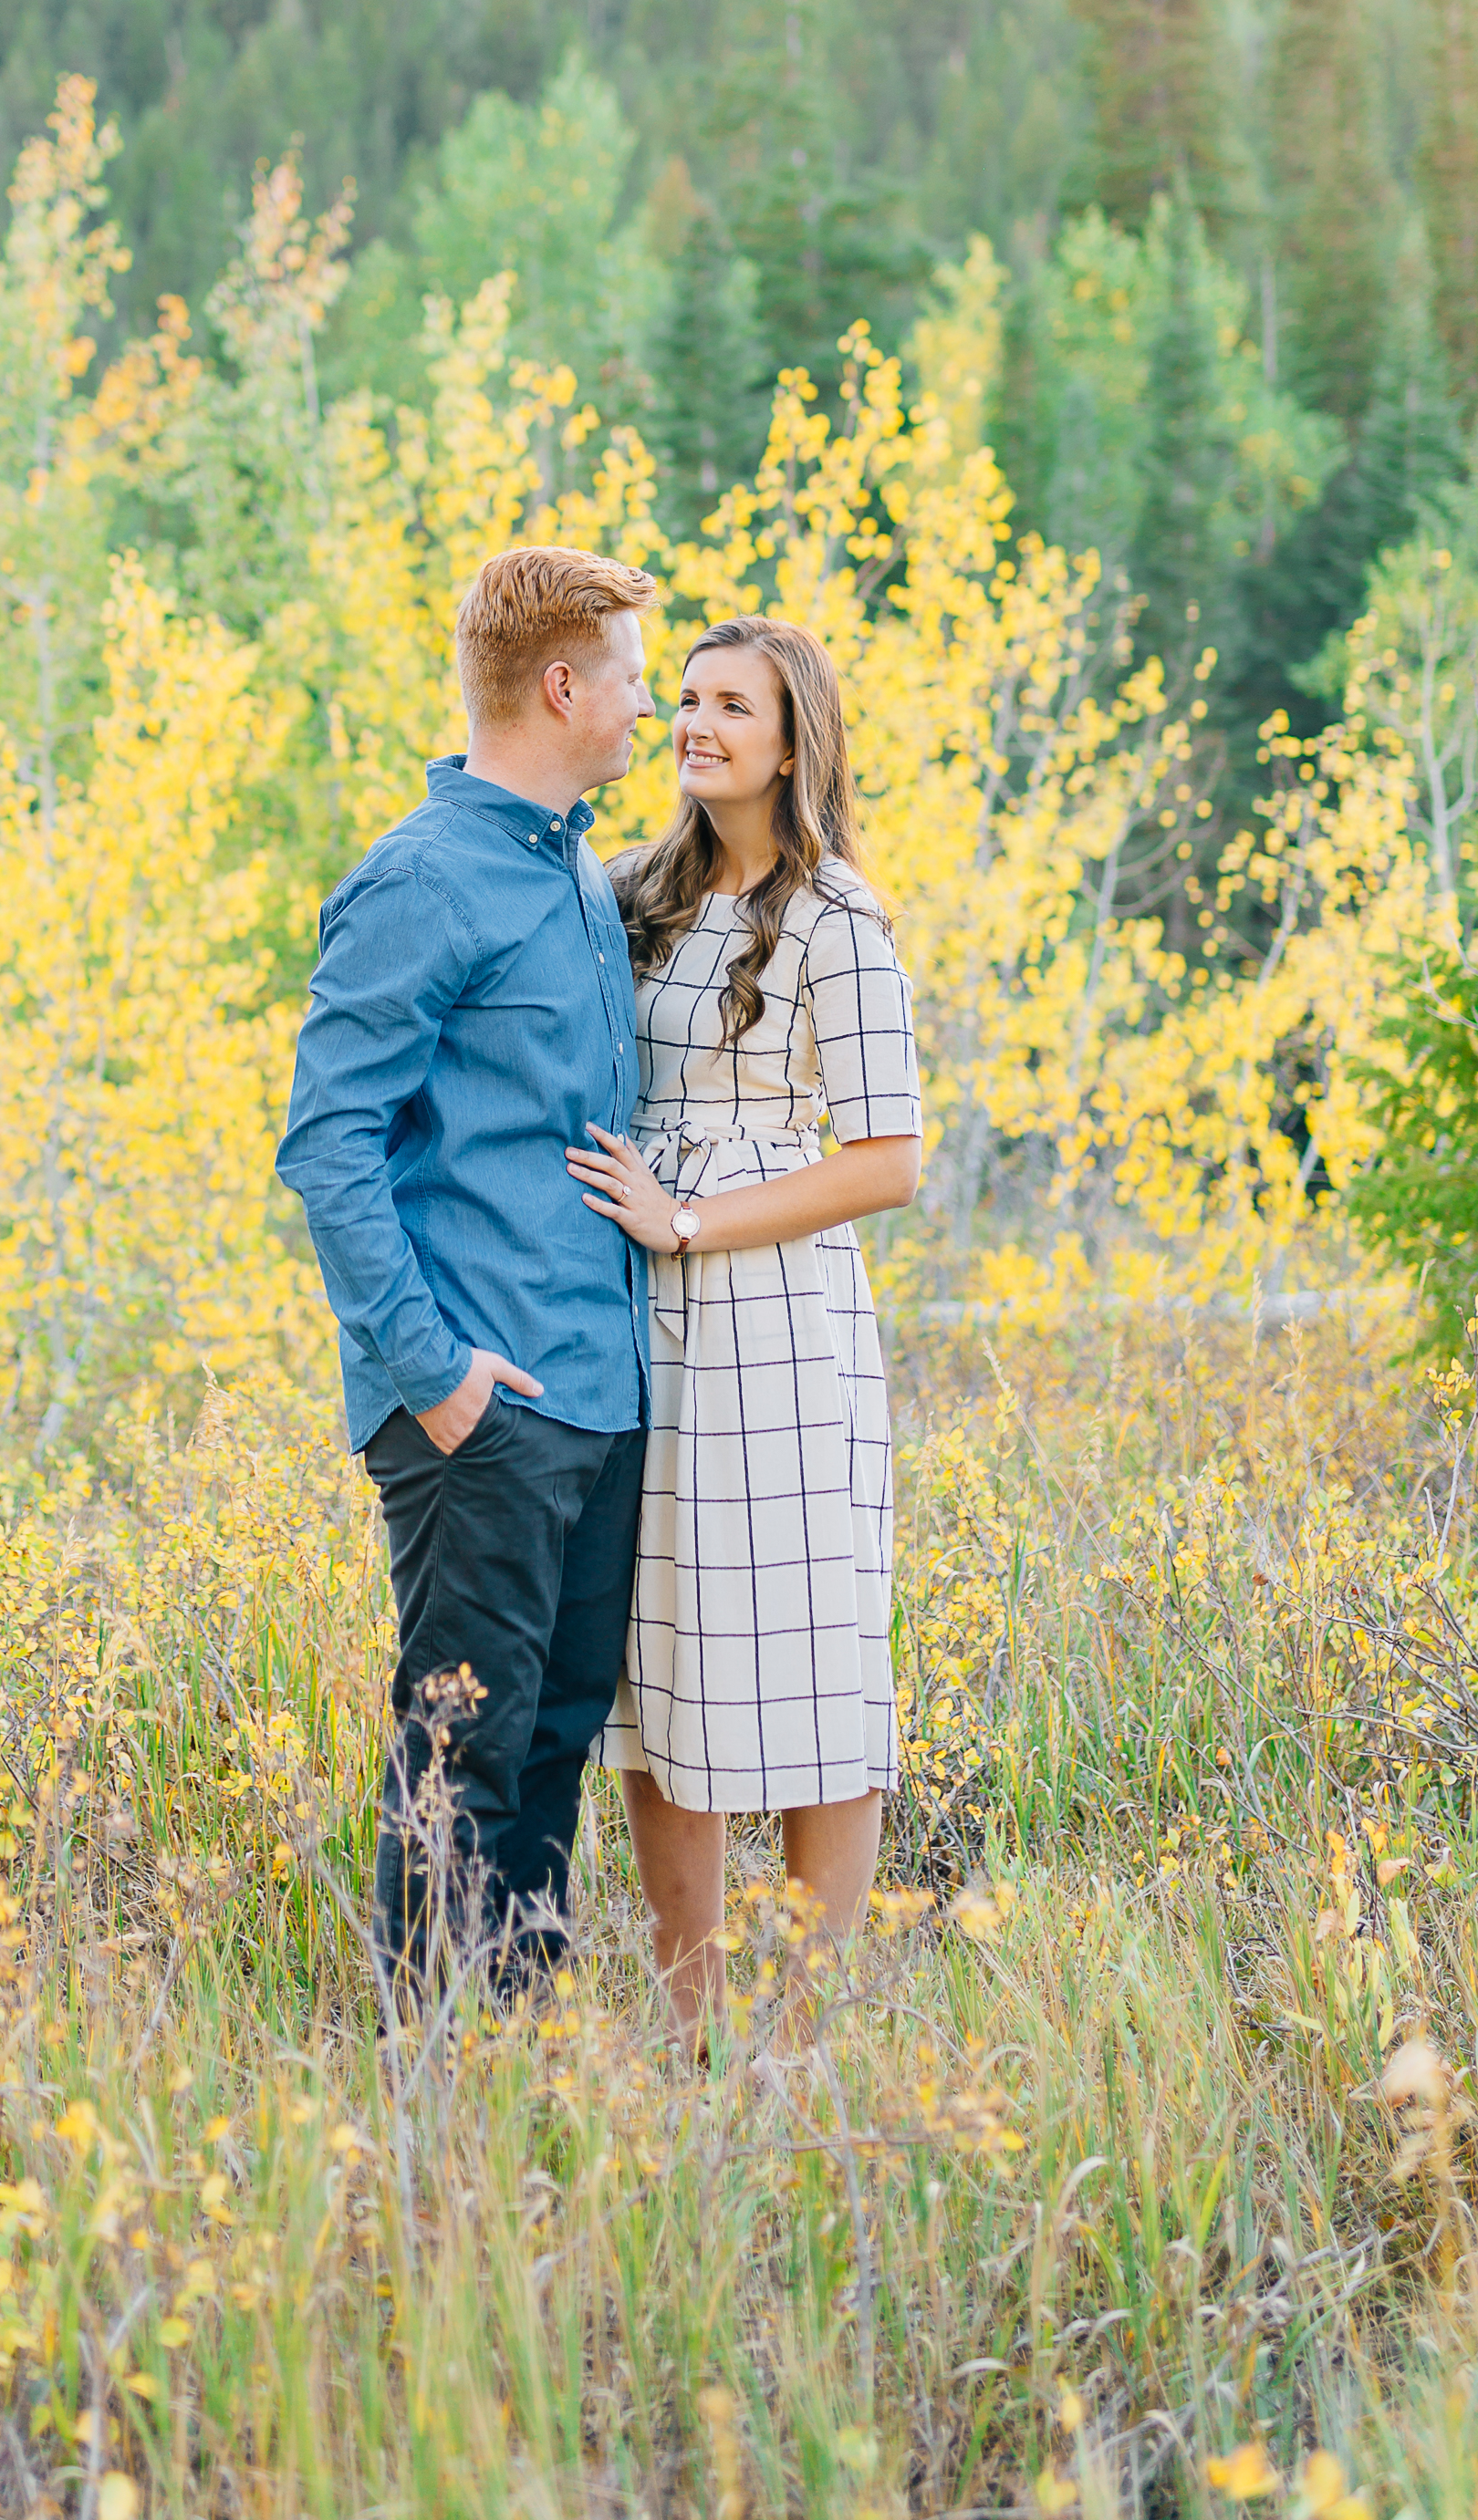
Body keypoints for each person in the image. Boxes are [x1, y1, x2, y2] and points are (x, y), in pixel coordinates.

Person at [277, 544, 659, 1991]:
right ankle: (431, 2092)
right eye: (630, 677)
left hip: (598, 1398)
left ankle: (522, 2075)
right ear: (563, 686)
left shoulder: (571, 870)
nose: (647, 709)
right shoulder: (421, 879)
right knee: (464, 1754)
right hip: (481, 1403)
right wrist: (435, 1377)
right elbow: (329, 1146)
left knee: (553, 1745)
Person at [565, 616, 922, 2042]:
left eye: (734, 706)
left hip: (776, 1324)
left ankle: (800, 2043)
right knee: (668, 1665)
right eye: (690, 699)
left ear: (792, 742)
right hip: (635, 1318)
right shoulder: (627, 892)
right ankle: (690, 2027)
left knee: (811, 1655)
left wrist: (694, 1222)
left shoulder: (840, 919)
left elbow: (891, 1159)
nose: (699, 724)